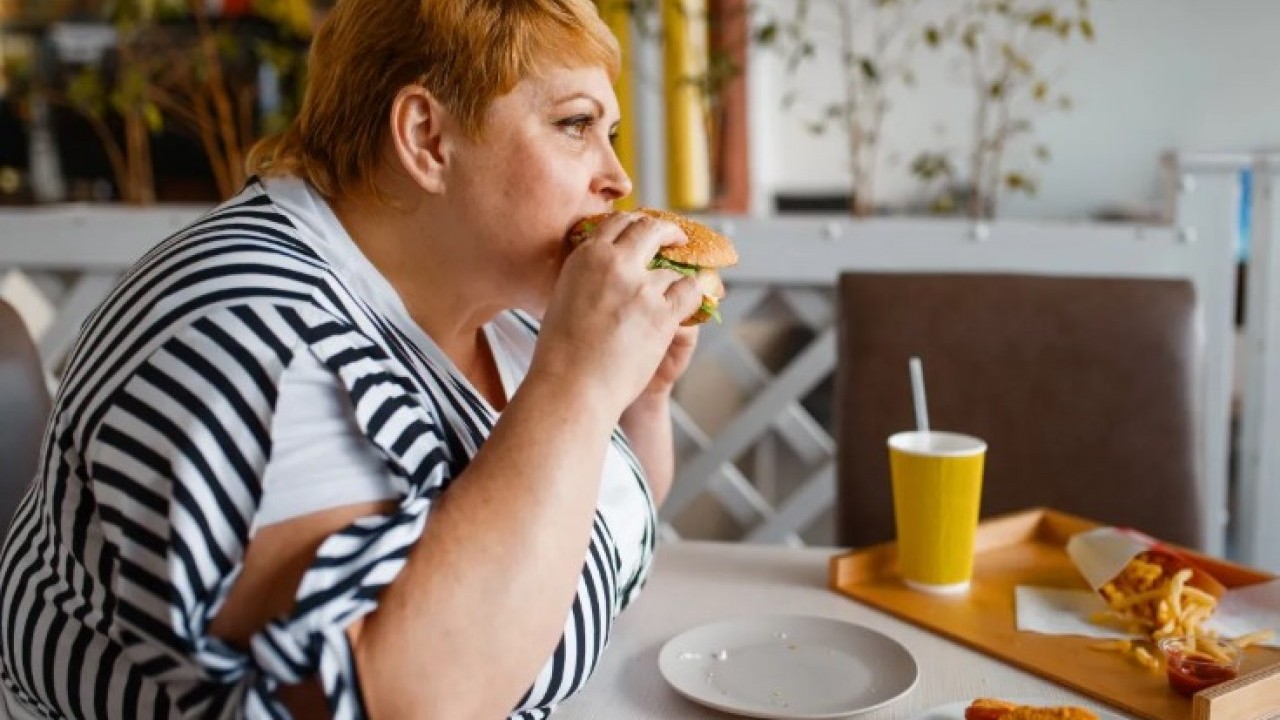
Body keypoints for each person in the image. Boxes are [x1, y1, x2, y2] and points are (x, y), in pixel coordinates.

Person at [0, 0, 705, 717]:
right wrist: (578, 388)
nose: (617, 177)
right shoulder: (253, 331)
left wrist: (636, 397)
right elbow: (391, 700)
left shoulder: (507, 313)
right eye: (576, 124)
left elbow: (593, 523)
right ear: (427, 137)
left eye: (608, 133)